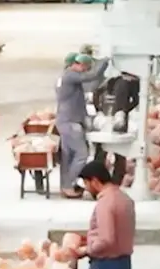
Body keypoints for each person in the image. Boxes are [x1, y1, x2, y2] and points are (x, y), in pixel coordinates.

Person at [54, 51, 109, 198]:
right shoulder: (70, 75)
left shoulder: (64, 77)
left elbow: (90, 85)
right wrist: (106, 60)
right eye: (82, 65)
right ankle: (69, 184)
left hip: (65, 120)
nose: (84, 68)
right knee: (81, 154)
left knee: (68, 156)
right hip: (71, 122)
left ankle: (66, 185)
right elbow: (91, 77)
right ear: (73, 64)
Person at [78, 161, 135, 269]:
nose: (86, 189)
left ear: (94, 181)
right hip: (124, 265)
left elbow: (106, 240)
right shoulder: (125, 199)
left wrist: (86, 251)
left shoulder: (105, 203)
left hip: (105, 265)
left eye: (86, 184)